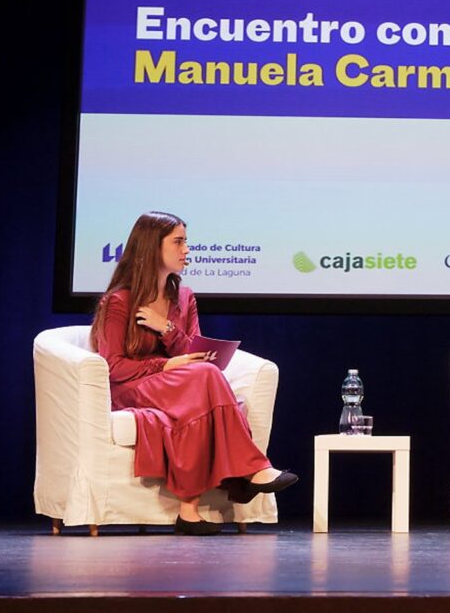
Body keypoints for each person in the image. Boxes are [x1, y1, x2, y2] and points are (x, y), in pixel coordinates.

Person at [90, 211, 297, 535]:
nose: (187, 249)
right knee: (205, 377)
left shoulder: (184, 297)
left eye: (186, 241)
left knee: (203, 384)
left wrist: (167, 328)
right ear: (152, 247)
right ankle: (251, 471)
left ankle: (190, 511)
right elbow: (113, 367)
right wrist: (164, 365)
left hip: (179, 386)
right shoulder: (119, 301)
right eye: (178, 242)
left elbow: (192, 352)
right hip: (133, 386)